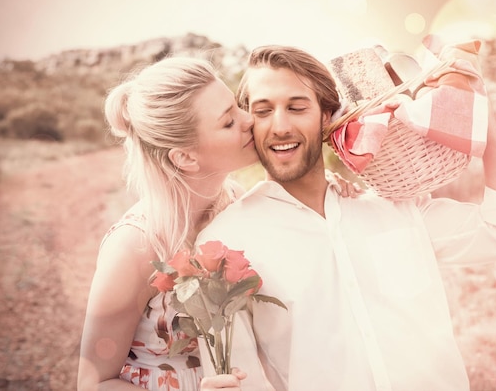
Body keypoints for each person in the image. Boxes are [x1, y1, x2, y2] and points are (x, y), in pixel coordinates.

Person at [195, 45, 496, 390]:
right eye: (263, 111)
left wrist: (476, 107)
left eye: (297, 107)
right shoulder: (227, 243)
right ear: (248, 124)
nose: (280, 126)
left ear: (326, 116)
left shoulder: (396, 206)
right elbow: (240, 378)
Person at [76, 55, 360, 391]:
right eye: (228, 122)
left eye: (238, 107)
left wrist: (329, 188)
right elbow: (92, 382)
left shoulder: (235, 201)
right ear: (185, 157)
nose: (249, 120)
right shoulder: (134, 246)